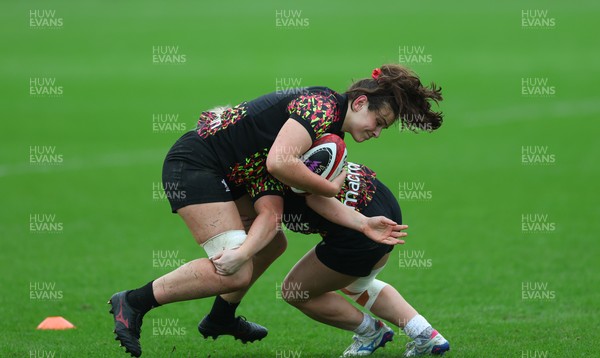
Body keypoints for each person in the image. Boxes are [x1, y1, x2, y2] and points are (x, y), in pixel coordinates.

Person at [109, 64, 443, 357]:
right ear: (359, 102)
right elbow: (280, 162)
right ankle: (134, 302)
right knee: (237, 269)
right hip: (197, 167)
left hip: (239, 173)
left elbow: (280, 181)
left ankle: (222, 317)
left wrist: (362, 222)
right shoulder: (321, 106)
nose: (377, 132)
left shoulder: (328, 128)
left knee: (272, 244)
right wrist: (328, 186)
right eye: (378, 121)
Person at [202, 162, 450, 357]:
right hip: (379, 200)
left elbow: (271, 225)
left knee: (294, 291)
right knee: (358, 285)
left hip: (360, 231)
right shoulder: (284, 133)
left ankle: (370, 332)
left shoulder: (254, 169)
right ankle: (426, 335)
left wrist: (241, 252)